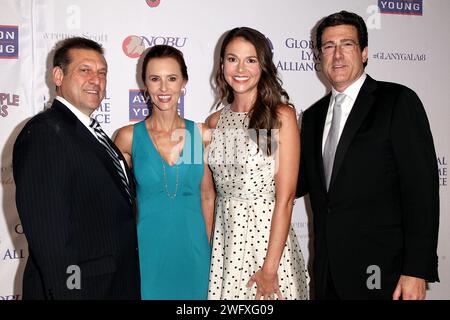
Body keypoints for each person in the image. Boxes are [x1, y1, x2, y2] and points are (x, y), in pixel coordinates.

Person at [297, 11, 439, 300]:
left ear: (364, 52)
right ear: (319, 56)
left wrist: (416, 270)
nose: (337, 55)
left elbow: (421, 192)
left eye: (347, 44)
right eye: (328, 46)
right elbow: (299, 183)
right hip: (328, 275)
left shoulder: (397, 101)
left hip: (383, 273)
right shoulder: (311, 118)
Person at [13, 37, 140, 299]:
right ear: (58, 75)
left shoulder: (93, 134)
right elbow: (50, 237)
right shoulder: (45, 133)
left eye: (102, 73)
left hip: (113, 284)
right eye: (85, 70)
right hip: (82, 290)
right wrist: (72, 292)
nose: (96, 79)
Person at [206, 27, 309, 300]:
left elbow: (286, 198)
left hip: (268, 248)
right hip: (226, 245)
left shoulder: (281, 116)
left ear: (263, 66)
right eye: (232, 59)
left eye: (251, 60)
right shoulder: (214, 123)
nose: (240, 68)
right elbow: (210, 194)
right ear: (222, 65)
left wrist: (270, 269)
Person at [114, 45, 214, 300]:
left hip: (195, 253)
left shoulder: (199, 136)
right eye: (155, 79)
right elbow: (117, 203)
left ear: (184, 82)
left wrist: (214, 252)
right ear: (144, 84)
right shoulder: (128, 138)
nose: (163, 88)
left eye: (172, 78)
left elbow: (207, 197)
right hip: (147, 253)